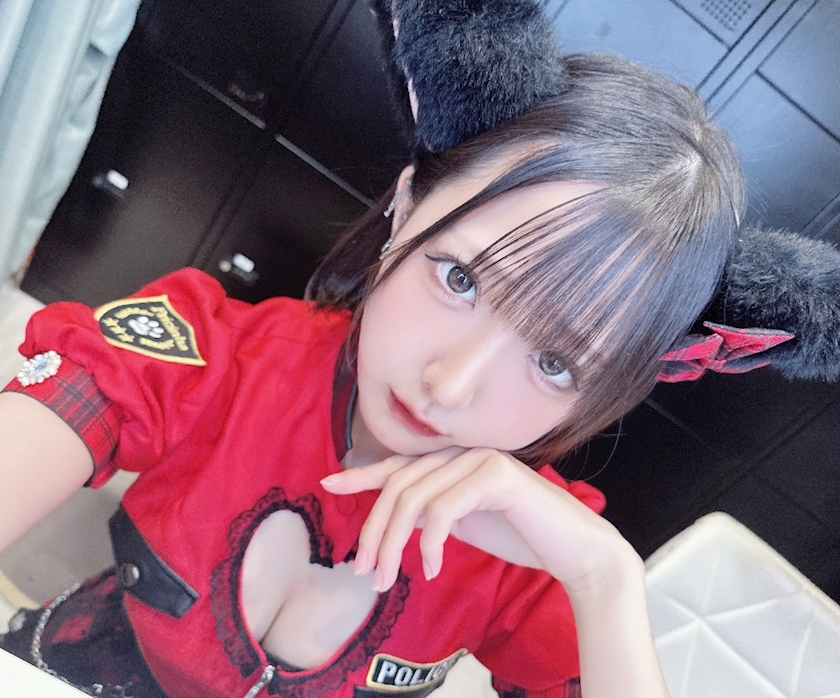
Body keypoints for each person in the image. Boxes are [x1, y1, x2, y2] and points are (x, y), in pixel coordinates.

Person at [0, 7, 748, 698]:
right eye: (460, 279)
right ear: (407, 206)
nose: (450, 386)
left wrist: (605, 578)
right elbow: (76, 396)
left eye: (555, 363)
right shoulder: (218, 354)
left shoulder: (532, 551)